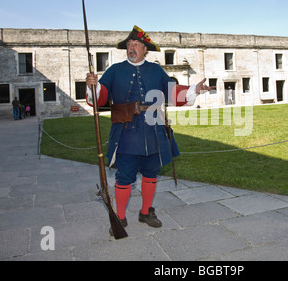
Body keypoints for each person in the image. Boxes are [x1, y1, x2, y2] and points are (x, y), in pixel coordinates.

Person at [86, 26, 214, 233]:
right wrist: (94, 86)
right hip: (126, 132)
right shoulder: (114, 70)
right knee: (124, 176)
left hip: (154, 131)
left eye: (136, 45)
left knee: (151, 173)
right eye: (129, 45)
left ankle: (145, 212)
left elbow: (172, 92)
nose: (132, 48)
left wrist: (194, 89)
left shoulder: (156, 70)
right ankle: (119, 218)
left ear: (145, 49)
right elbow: (100, 98)